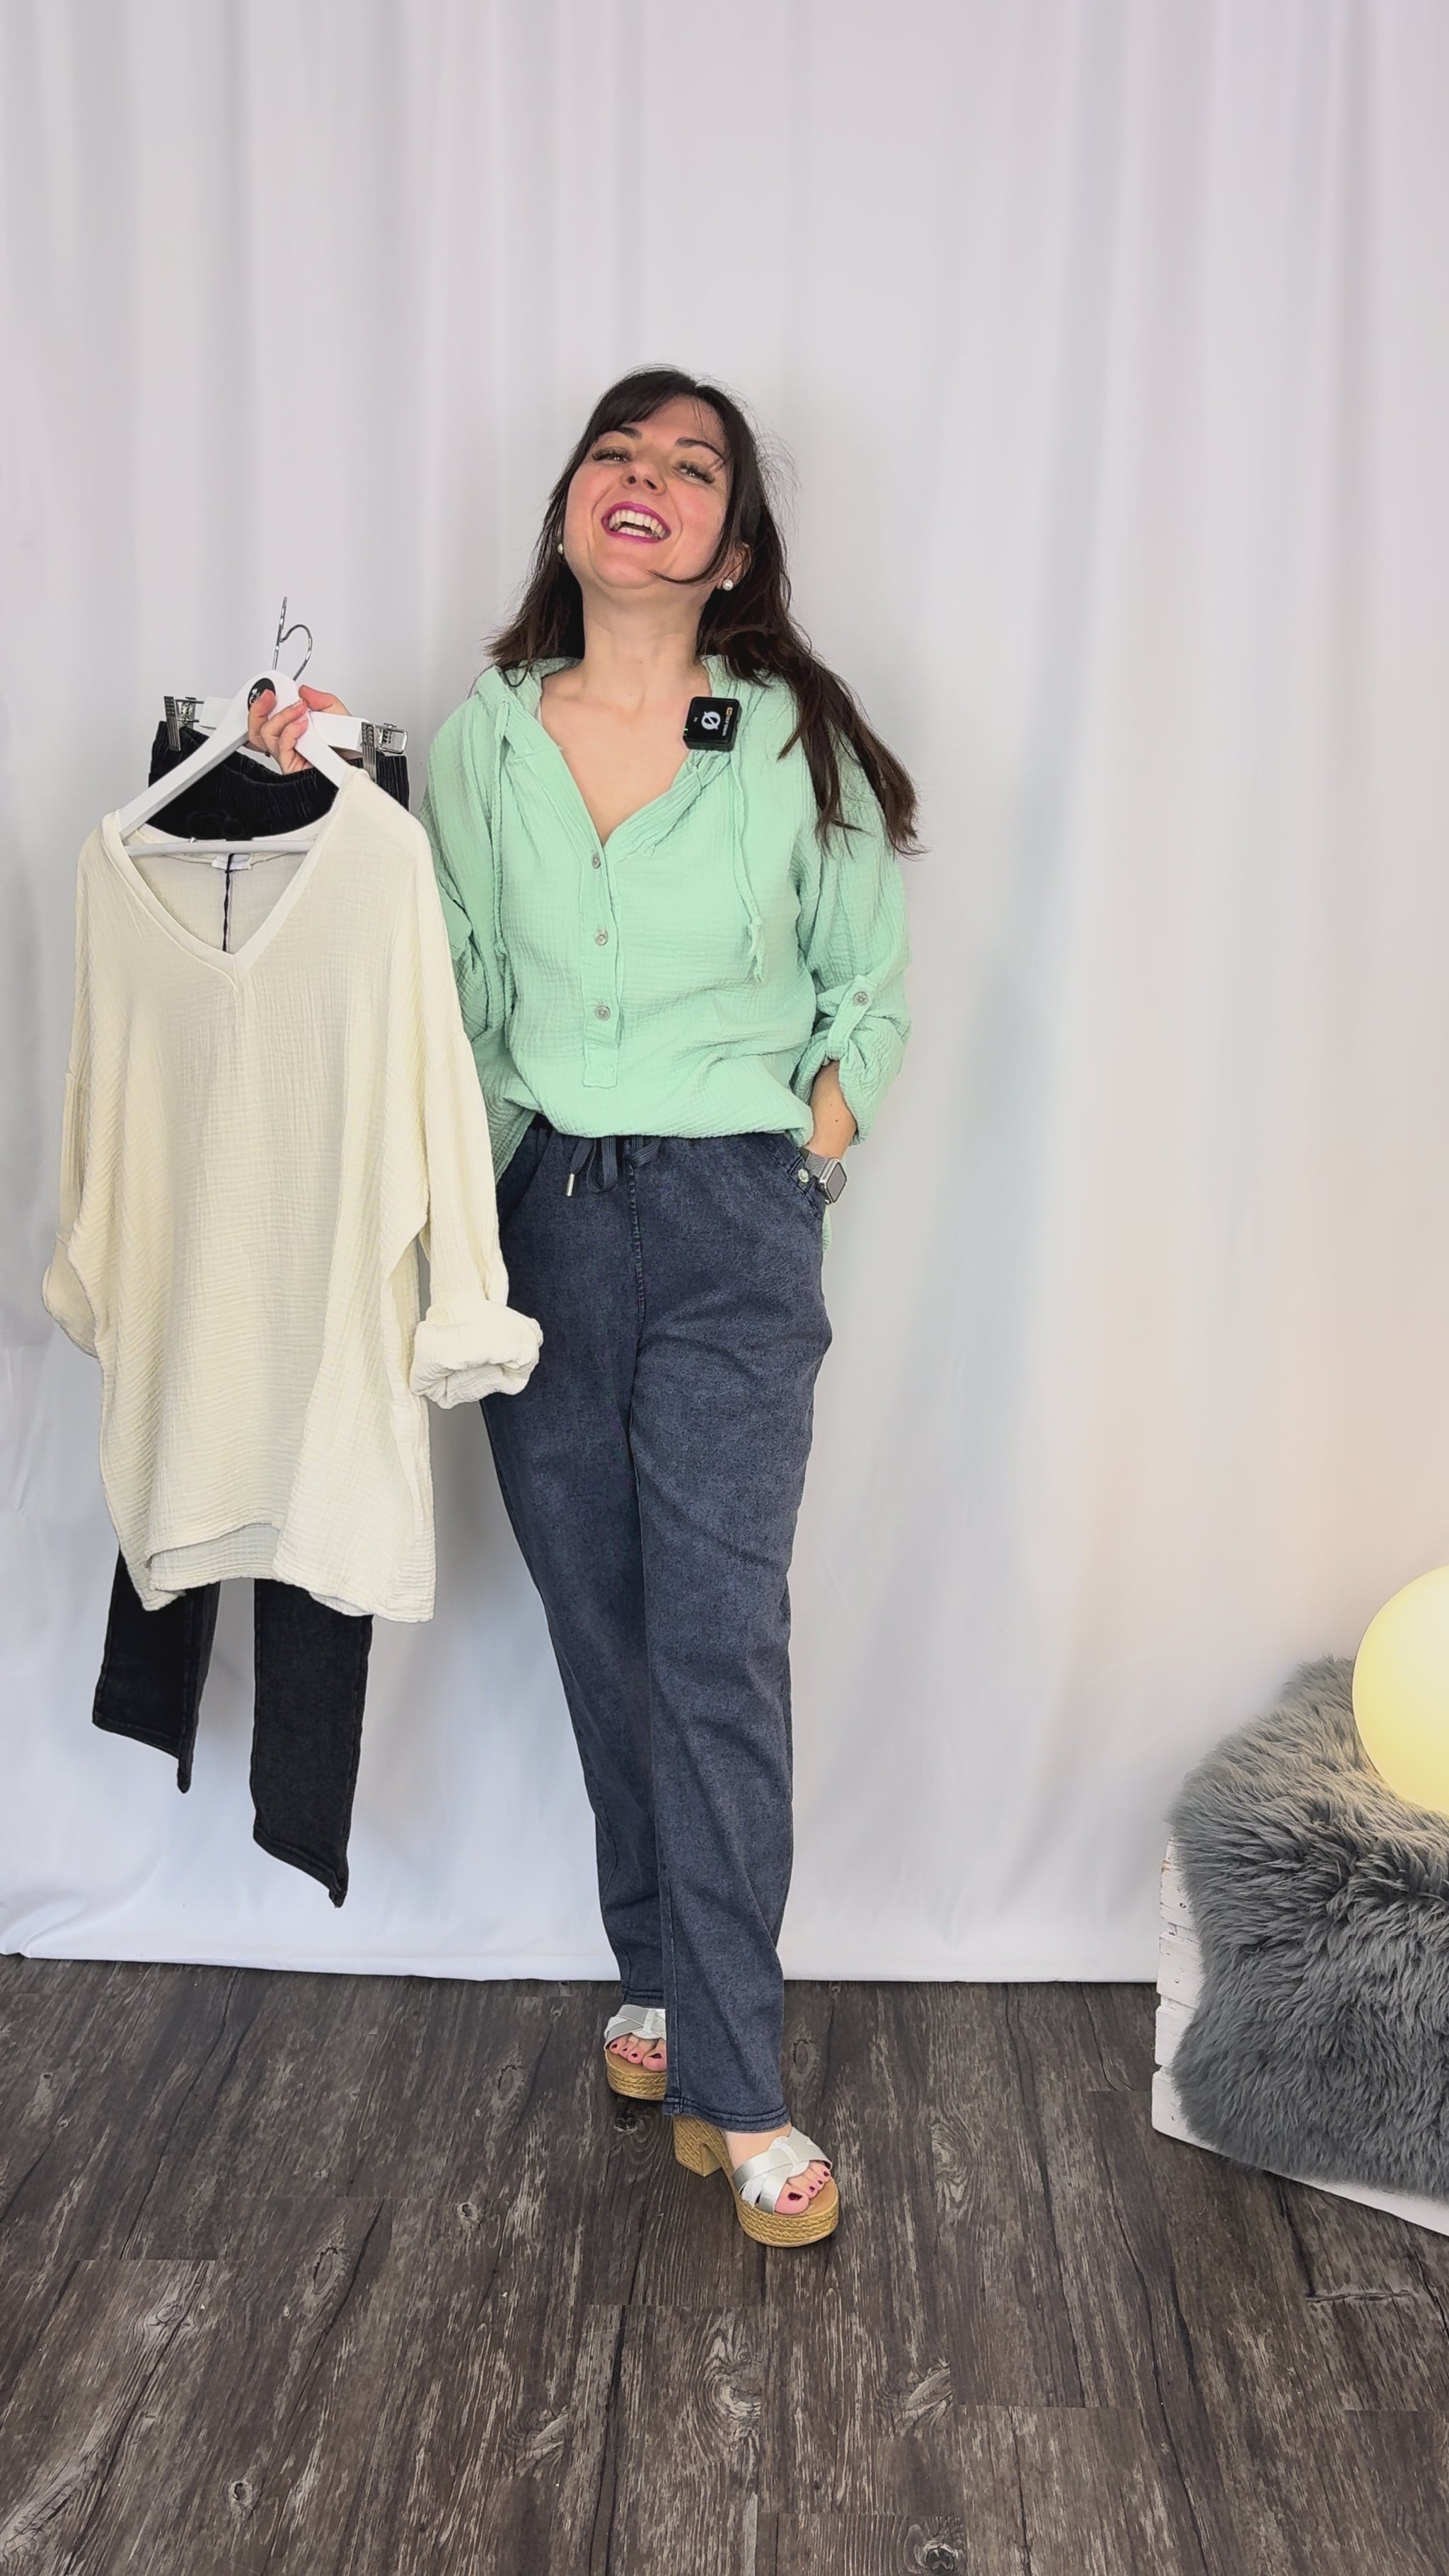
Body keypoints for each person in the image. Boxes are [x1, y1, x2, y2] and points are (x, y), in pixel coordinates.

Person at [256, 366, 914, 2246]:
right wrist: (313, 785)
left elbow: (866, 991)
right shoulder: (485, 739)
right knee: (603, 1629)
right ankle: (658, 1977)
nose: (648, 480)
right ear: (570, 507)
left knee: (718, 1645)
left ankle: (741, 2079)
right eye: (618, 454)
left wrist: (801, 1155)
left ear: (733, 549)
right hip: (539, 1219)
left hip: (729, 1226)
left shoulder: (788, 741)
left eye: (693, 468)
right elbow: (444, 975)